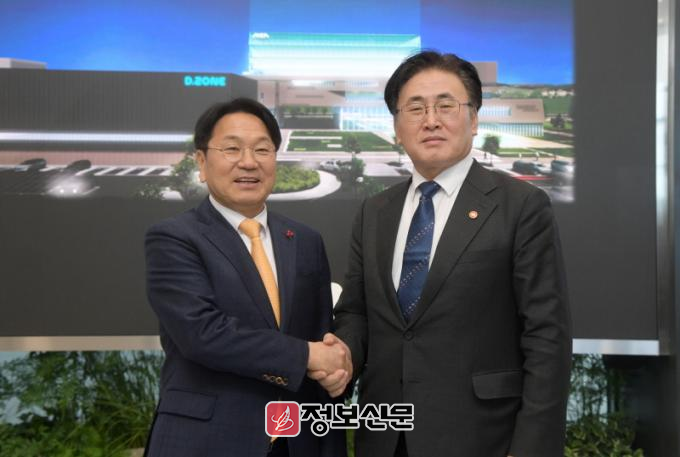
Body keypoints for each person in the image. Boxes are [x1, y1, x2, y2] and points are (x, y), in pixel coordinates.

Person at [326, 51, 572, 456]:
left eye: (445, 106)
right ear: (397, 127)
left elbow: (547, 336)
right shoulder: (375, 211)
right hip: (386, 437)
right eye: (415, 108)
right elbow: (357, 312)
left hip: (482, 438)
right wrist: (343, 355)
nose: (431, 120)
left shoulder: (520, 206)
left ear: (473, 119)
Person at [144, 98, 348, 457]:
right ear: (202, 163)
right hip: (206, 442)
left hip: (296, 441)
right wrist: (306, 356)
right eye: (232, 149)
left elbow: (321, 337)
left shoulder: (305, 240)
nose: (249, 162)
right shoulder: (173, 237)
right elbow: (202, 334)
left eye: (262, 149)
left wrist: (335, 370)